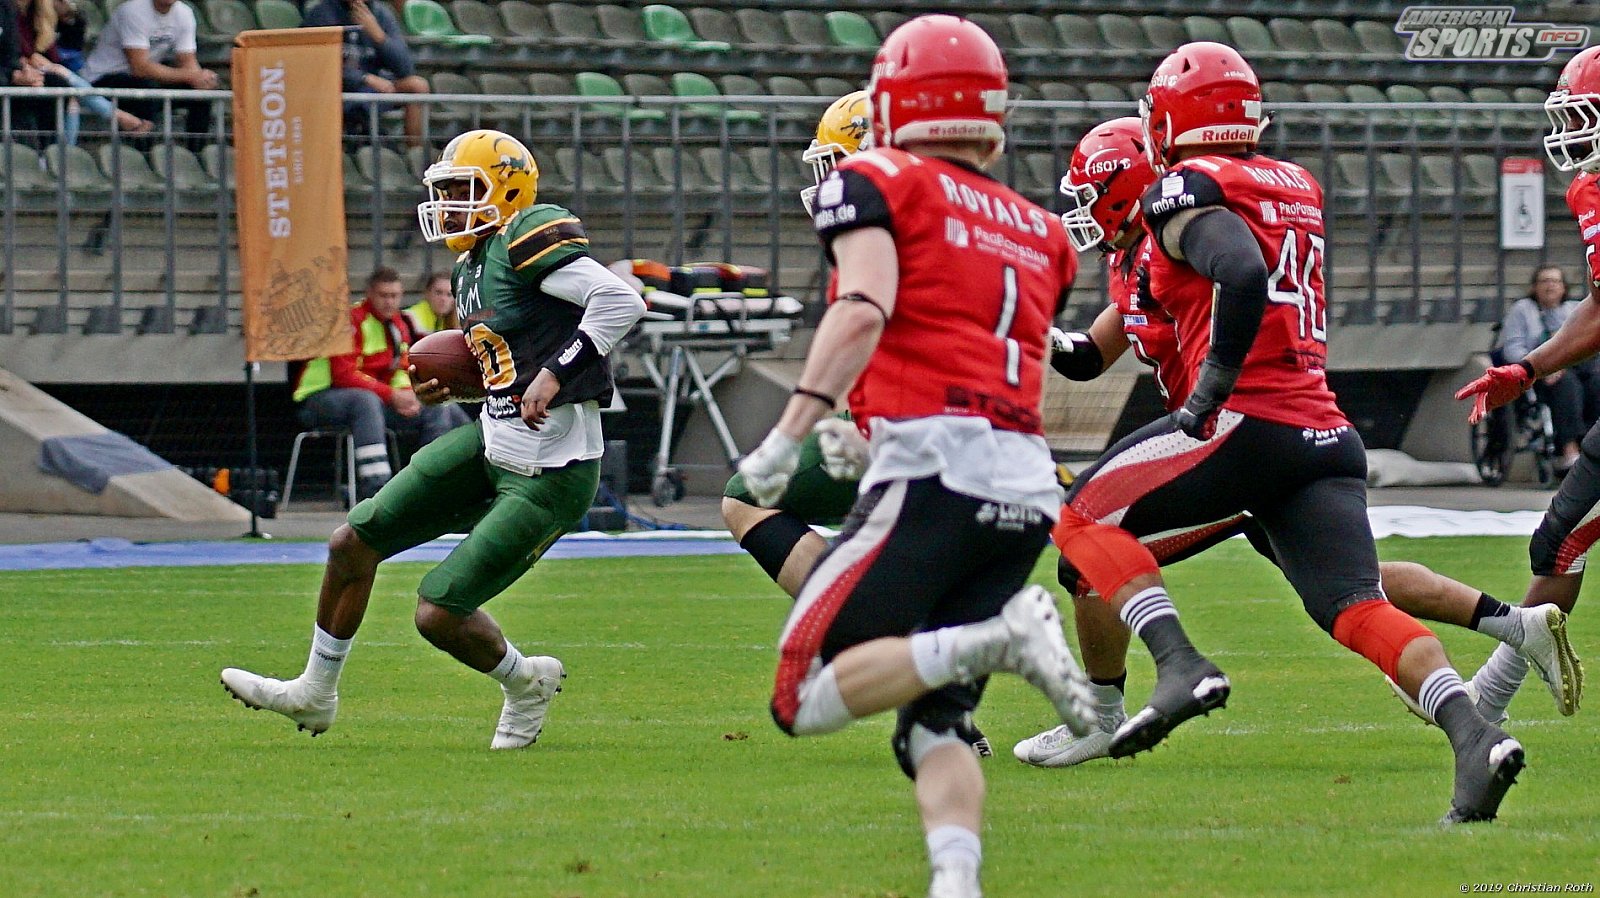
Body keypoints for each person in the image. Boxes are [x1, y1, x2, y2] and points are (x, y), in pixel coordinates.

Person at [1044, 43, 1524, 824]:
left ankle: (1179, 665)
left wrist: (1211, 389)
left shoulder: (1185, 190)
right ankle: (1475, 739)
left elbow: (1238, 269)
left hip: (1244, 420)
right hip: (1320, 429)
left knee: (1077, 521)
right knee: (1355, 608)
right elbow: (1116, 336)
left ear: (1171, 122)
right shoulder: (1290, 184)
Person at [736, 18, 1092, 898]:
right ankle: (955, 883)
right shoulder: (1041, 230)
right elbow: (966, 342)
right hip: (1023, 489)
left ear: (895, 102)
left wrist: (788, 433)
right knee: (934, 727)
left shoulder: (878, 178)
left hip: (937, 471)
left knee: (799, 698)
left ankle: (1001, 641)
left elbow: (862, 309)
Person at [222, 129, 646, 749]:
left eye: (462, 190)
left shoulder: (527, 235)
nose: (448, 205)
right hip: (493, 442)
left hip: (552, 472)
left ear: (507, 190)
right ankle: (314, 692)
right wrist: (457, 391)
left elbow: (620, 300)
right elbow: (506, 370)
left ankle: (525, 681)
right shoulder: (471, 264)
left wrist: (557, 373)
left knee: (438, 612)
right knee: (351, 543)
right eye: (444, 192)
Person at [1455, 44, 1600, 724]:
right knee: (1559, 541)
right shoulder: (1588, 187)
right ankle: (1489, 696)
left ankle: (1488, 699)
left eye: (1585, 116)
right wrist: (1527, 368)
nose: (1572, 133)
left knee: (1559, 541)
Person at [290, 267, 470, 501]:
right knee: (365, 401)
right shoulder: (350, 321)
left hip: (373, 401)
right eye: (383, 295)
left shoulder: (398, 325)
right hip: (320, 397)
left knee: (436, 405)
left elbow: (400, 369)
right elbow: (343, 375)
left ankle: (433, 483)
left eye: (394, 296)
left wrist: (409, 396)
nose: (389, 302)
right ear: (369, 294)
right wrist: (391, 395)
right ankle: (376, 489)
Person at [1498, 265, 1600, 472]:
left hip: (1576, 365)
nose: (1550, 286)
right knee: (1567, 384)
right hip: (1539, 374)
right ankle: (1569, 449)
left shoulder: (1574, 308)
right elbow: (1512, 349)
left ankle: (1592, 445)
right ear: (1534, 287)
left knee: (1596, 382)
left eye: (1555, 281)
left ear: (1564, 287)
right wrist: (1541, 366)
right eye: (1544, 281)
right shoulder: (1522, 310)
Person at [79, 0, 218, 147]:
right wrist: (192, 76)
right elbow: (139, 67)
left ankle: (197, 150)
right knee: (147, 90)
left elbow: (187, 61)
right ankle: (144, 151)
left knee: (200, 94)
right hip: (102, 78)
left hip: (144, 78)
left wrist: (202, 80)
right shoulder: (133, 11)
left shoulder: (184, 13)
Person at [17, 0, 152, 144]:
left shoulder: (40, 13)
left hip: (45, 74)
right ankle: (117, 115)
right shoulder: (10, 12)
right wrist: (34, 60)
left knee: (70, 95)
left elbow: (60, 52)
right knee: (63, 79)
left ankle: (67, 152)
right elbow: (19, 52)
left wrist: (69, 17)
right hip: (17, 73)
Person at [301, 0, 429, 148]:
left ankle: (416, 153)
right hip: (337, 88)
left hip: (375, 87)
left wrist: (379, 36)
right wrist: (363, 78)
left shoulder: (380, 14)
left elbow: (405, 68)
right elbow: (317, 64)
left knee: (417, 85)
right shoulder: (322, 14)